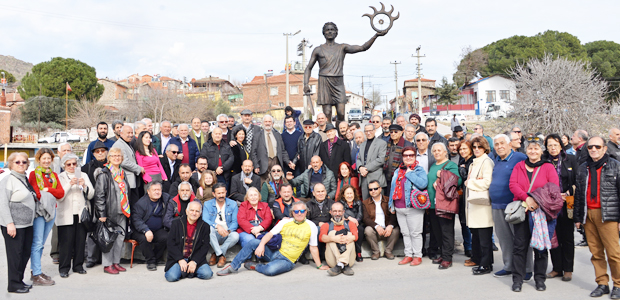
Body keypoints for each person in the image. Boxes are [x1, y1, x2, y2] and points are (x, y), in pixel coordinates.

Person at [217, 201, 329, 276]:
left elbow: (313, 247)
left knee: (270, 270)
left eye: (302, 211)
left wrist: (319, 265)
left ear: (306, 212)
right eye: (296, 211)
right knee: (254, 242)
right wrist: (261, 245)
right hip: (274, 252)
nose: (299, 213)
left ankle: (256, 266)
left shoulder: (311, 226)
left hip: (287, 260)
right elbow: (269, 234)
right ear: (292, 213)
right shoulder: (285, 222)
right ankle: (233, 266)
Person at [509, 138, 559, 292]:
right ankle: (517, 279)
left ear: (541, 151)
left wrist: (537, 201)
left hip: (541, 212)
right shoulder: (519, 166)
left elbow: (553, 187)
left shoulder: (548, 167)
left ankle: (540, 279)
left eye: (536, 149)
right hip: (523, 211)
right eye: (530, 148)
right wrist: (527, 198)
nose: (533, 151)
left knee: (540, 247)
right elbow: (513, 184)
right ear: (526, 151)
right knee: (519, 246)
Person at [574, 136, 620, 298]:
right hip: (588, 215)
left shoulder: (615, 166)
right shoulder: (582, 168)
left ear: (604, 149)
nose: (593, 149)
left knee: (613, 253)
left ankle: (618, 284)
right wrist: (578, 218)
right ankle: (602, 283)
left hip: (608, 214)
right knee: (596, 253)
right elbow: (579, 194)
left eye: (597, 147)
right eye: (590, 147)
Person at [489, 134, 532, 279]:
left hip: (515, 205)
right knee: (504, 238)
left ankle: (526, 268)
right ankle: (508, 266)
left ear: (509, 144)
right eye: (496, 144)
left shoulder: (519, 158)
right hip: (497, 205)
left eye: (502, 143)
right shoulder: (496, 160)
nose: (500, 146)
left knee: (520, 238)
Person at [543, 134, 578, 282]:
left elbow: (577, 181)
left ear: (561, 146)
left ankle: (568, 269)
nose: (552, 148)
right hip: (550, 205)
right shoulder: (544, 161)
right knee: (553, 236)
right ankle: (557, 267)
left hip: (567, 203)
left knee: (567, 237)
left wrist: (569, 192)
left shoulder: (571, 160)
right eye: (550, 145)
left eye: (555, 145)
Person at [0, 152, 37, 293]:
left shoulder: (24, 179)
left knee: (24, 253)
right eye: (17, 162)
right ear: (11, 164)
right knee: (15, 255)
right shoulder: (7, 180)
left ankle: (19, 280)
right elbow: (2, 204)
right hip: (14, 226)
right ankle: (13, 284)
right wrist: (9, 223)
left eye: (24, 162)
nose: (21, 164)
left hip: (27, 225)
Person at [29, 148, 64, 286]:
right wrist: (50, 195)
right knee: (37, 243)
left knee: (42, 243)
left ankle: (37, 270)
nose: (46, 161)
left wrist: (48, 190)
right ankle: (36, 273)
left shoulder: (54, 175)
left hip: (52, 211)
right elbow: (36, 193)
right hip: (40, 212)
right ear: (38, 160)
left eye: (48, 158)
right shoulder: (33, 174)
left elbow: (60, 193)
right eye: (43, 158)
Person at [388, 146, 428, 266]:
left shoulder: (419, 170)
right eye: (406, 155)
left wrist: (409, 174)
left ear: (415, 156)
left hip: (413, 207)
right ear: (403, 157)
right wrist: (391, 204)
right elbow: (393, 188)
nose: (408, 157)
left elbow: (423, 184)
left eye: (411, 155)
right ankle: (408, 255)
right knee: (405, 233)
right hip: (399, 207)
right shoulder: (397, 170)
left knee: (415, 233)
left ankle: (417, 255)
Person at [94, 147, 131, 275]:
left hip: (122, 211)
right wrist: (102, 214)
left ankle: (116, 262)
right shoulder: (104, 174)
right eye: (113, 156)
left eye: (118, 156)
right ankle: (107, 264)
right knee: (108, 239)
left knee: (120, 238)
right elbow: (99, 195)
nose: (116, 158)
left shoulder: (122, 172)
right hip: (109, 213)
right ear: (109, 158)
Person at [56, 154, 93, 278]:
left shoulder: (83, 175)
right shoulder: (60, 177)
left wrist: (84, 186)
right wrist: (69, 184)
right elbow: (59, 196)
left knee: (80, 241)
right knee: (66, 242)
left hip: (80, 213)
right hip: (66, 214)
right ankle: (64, 268)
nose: (72, 166)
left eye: (74, 164)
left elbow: (91, 194)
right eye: (69, 164)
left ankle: (78, 265)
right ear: (64, 165)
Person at [427, 143, 461, 269]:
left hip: (445, 204)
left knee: (446, 232)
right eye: (434, 151)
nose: (436, 153)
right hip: (433, 205)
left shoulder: (450, 165)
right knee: (437, 232)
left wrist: (443, 174)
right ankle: (443, 253)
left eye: (439, 150)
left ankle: (447, 258)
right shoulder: (433, 166)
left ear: (445, 152)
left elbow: (458, 180)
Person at [464, 137, 495, 275]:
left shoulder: (487, 162)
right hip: (474, 204)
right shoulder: (474, 163)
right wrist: (476, 180)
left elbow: (487, 182)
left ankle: (486, 264)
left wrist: (470, 182)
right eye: (474, 147)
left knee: (484, 237)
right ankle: (479, 260)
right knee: (476, 235)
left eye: (479, 147)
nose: (477, 149)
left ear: (485, 148)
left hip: (482, 205)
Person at [164, 201, 213, 282]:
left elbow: (205, 246)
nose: (194, 213)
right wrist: (180, 259)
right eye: (192, 210)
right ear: (186, 211)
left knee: (207, 274)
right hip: (178, 259)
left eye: (197, 211)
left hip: (195, 259)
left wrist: (195, 261)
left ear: (200, 213)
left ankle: (188, 270)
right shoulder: (176, 223)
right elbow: (170, 243)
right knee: (171, 277)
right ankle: (188, 271)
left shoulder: (205, 226)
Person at [131, 181, 170, 271]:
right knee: (144, 239)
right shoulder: (141, 203)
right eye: (154, 190)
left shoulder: (165, 198)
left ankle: (155, 258)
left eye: (159, 190)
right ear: (148, 191)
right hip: (140, 230)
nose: (157, 192)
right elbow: (136, 220)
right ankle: (150, 261)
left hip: (157, 229)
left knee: (165, 237)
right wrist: (146, 230)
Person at [203, 183, 239, 268]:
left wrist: (228, 231)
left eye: (223, 193)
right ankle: (221, 255)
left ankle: (216, 254)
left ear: (226, 192)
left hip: (227, 233)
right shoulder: (207, 204)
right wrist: (217, 226)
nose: (221, 195)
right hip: (214, 234)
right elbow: (205, 220)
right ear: (213, 194)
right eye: (218, 193)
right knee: (208, 229)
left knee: (236, 236)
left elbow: (235, 222)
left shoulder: (233, 204)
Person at [363, 180, 399, 260]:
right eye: (370, 189)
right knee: (367, 230)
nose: (373, 191)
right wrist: (376, 226)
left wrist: (390, 226)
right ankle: (376, 252)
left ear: (380, 189)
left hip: (387, 230)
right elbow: (366, 219)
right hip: (375, 231)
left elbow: (394, 215)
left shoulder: (388, 200)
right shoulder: (365, 203)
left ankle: (388, 251)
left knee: (396, 230)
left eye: (375, 188)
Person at [320, 202, 358, 276]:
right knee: (331, 234)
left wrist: (347, 238)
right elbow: (322, 238)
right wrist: (334, 239)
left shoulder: (350, 224)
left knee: (350, 234)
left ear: (343, 212)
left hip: (349, 260)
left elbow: (356, 236)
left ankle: (340, 264)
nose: (337, 213)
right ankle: (343, 264)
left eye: (339, 211)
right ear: (330, 212)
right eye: (335, 211)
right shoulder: (326, 225)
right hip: (333, 261)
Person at [251, 115, 290, 182]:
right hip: (263, 165)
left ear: (272, 123)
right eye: (266, 121)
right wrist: (256, 165)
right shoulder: (257, 136)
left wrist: (288, 162)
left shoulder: (277, 135)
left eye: (269, 121)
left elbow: (283, 150)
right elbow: (253, 152)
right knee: (263, 185)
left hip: (276, 162)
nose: (267, 123)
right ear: (263, 123)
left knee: (277, 184)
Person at [112, 125, 143, 207]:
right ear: (121, 134)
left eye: (131, 132)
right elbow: (124, 161)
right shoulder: (119, 145)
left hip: (133, 180)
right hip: (127, 181)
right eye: (128, 133)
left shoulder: (127, 143)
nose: (130, 135)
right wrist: (138, 168)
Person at [357, 123, 388, 200]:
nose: (368, 133)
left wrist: (365, 168)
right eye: (366, 131)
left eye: (370, 130)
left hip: (376, 178)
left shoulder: (381, 143)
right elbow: (359, 159)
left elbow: (381, 159)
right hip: (364, 180)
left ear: (374, 130)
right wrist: (360, 167)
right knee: (366, 206)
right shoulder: (362, 145)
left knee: (379, 205)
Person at [338, 184, 365, 262]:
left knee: (360, 229)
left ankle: (358, 252)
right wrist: (349, 218)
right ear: (343, 195)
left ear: (354, 194)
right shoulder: (340, 203)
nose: (349, 195)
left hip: (357, 223)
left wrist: (355, 222)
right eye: (347, 193)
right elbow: (341, 213)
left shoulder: (358, 202)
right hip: (345, 223)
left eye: (351, 193)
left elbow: (360, 215)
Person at [384, 124, 413, 195]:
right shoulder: (387, 144)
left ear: (401, 133)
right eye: (391, 132)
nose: (393, 134)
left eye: (395, 132)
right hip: (387, 177)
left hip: (401, 178)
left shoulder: (407, 145)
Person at [458, 140, 474, 260]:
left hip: (471, 195)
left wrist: (463, 170)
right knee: (464, 222)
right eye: (460, 149)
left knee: (471, 223)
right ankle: (467, 246)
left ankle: (472, 248)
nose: (462, 151)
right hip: (463, 195)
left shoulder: (474, 161)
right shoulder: (462, 161)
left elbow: (467, 177)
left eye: (465, 148)